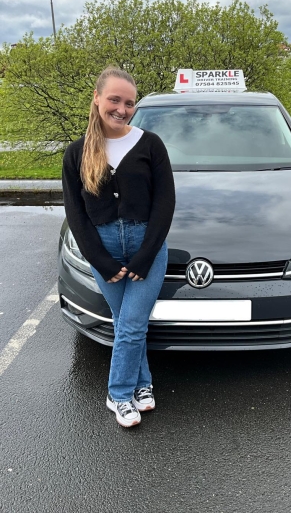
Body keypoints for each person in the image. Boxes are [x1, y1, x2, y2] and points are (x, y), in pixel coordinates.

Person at [62, 66, 175, 428]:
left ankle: (118, 393)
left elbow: (165, 203)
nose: (122, 109)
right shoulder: (77, 153)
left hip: (148, 247)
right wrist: (101, 261)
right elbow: (76, 214)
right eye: (114, 100)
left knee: (130, 324)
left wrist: (145, 256)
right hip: (104, 250)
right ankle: (142, 385)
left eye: (129, 102)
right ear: (97, 99)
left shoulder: (151, 144)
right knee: (129, 323)